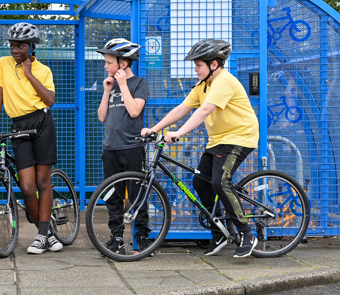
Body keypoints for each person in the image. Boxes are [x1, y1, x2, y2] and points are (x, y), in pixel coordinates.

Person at [141, 39, 260, 258]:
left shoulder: (223, 81)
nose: (195, 70)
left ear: (214, 64)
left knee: (220, 181)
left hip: (240, 137)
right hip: (218, 140)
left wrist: (178, 133)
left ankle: (246, 233)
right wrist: (153, 129)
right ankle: (220, 233)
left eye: (198, 66)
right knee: (200, 181)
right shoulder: (203, 85)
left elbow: (204, 110)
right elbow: (182, 109)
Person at [0, 22, 61, 254]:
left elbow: (50, 101)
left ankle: (42, 235)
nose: (14, 50)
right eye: (12, 45)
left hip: (42, 122)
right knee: (27, 186)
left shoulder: (43, 70)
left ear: (32, 47)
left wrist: (29, 74)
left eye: (20, 46)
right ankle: (48, 232)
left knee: (43, 182)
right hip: (18, 124)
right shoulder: (2, 64)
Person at [96, 38, 150, 255]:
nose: (106, 66)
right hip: (110, 147)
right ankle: (116, 237)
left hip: (132, 147)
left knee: (137, 194)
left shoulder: (138, 83)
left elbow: (135, 111)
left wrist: (123, 86)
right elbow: (101, 117)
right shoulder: (111, 85)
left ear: (124, 64)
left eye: (109, 62)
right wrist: (107, 91)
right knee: (113, 195)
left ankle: (143, 239)